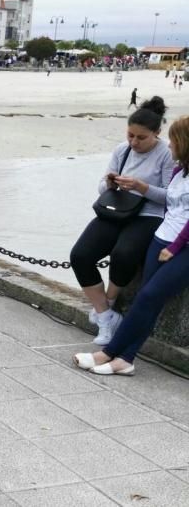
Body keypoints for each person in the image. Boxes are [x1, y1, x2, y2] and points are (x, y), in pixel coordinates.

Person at [74, 116, 189, 376]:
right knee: (146, 302)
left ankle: (108, 352)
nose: (169, 145)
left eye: (174, 141)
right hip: (162, 237)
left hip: (180, 246)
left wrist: (175, 246)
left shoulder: (170, 162)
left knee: (149, 296)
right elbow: (173, 208)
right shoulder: (180, 170)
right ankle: (126, 358)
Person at [69, 98, 174, 345]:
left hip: (149, 214)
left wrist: (142, 187)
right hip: (116, 209)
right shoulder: (121, 149)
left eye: (141, 138)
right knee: (80, 255)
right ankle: (106, 316)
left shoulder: (167, 154)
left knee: (124, 254)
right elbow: (101, 188)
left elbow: (171, 196)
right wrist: (109, 182)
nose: (134, 142)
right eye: (130, 135)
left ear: (156, 134)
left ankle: (108, 303)